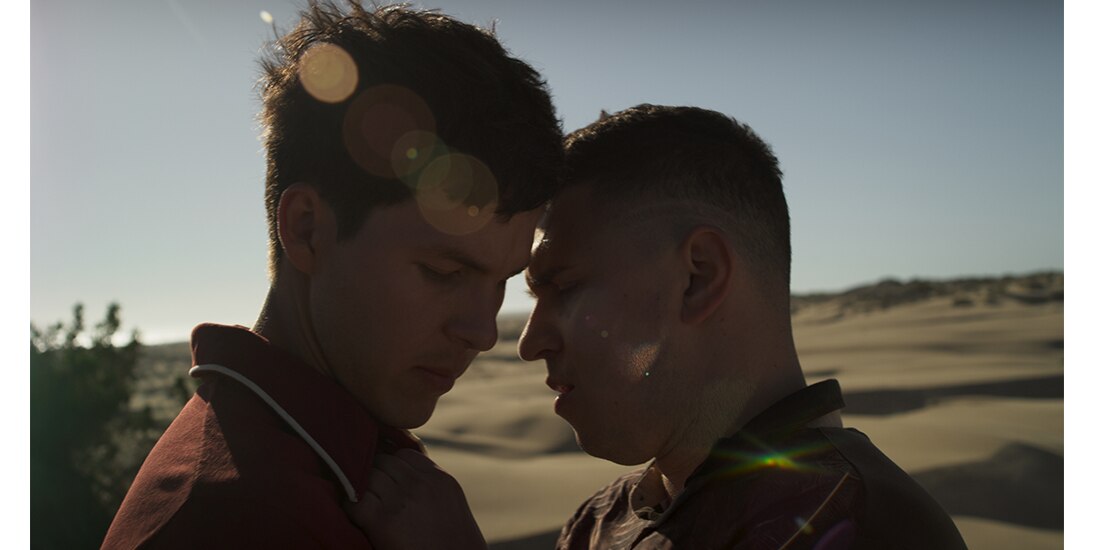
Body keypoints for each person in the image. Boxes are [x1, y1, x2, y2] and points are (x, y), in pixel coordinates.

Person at [101, 1, 562, 548]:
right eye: (444, 271)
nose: (484, 333)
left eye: (504, 280)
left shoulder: (343, 462)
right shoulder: (248, 521)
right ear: (307, 229)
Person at [512, 105, 969, 549]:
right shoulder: (600, 521)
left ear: (699, 277)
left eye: (566, 287)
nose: (530, 343)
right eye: (534, 299)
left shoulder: (852, 523)